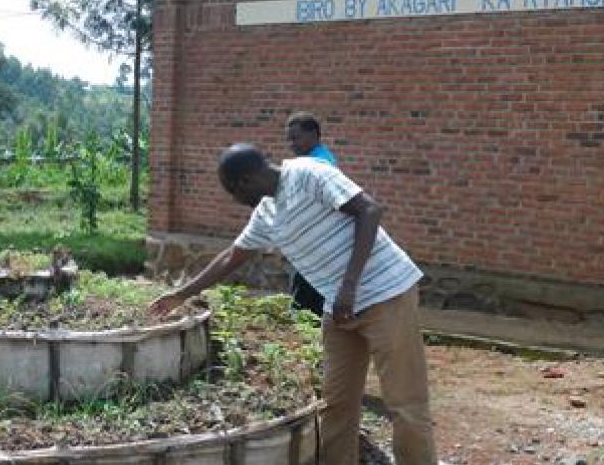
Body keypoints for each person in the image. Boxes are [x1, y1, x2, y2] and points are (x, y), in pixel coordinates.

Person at [148, 143, 436, 465]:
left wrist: (349, 286)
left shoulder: (309, 173)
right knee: (336, 401)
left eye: (231, 193)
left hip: (386, 294)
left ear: (243, 182)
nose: (234, 202)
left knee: (405, 403)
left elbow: (369, 210)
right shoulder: (266, 212)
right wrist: (181, 294)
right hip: (340, 309)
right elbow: (232, 256)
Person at [284, 111, 336, 312]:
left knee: (304, 302)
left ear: (313, 134)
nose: (292, 144)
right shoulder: (318, 159)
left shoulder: (319, 164)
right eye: (289, 139)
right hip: (312, 243)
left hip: (315, 245)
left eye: (296, 138)